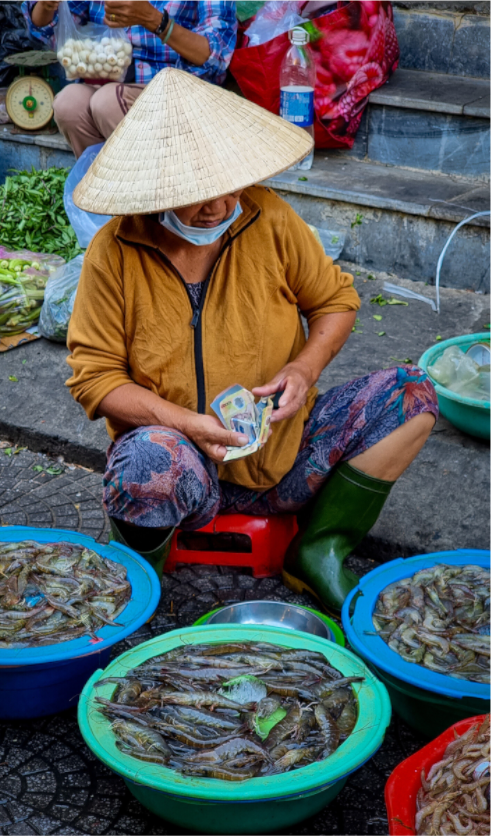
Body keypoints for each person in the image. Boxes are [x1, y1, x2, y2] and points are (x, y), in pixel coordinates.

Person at [67, 68, 439, 614]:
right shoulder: (115, 252)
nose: (218, 206)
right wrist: (188, 425)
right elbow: (95, 379)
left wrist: (304, 370)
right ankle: (140, 577)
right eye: (196, 194)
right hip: (182, 465)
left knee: (412, 395)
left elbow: (334, 303)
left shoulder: (270, 219)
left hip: (286, 456)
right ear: (157, 192)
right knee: (147, 464)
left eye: (228, 184)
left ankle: (318, 550)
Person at [22, 0, 237, 156]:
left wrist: (154, 20)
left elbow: (215, 54)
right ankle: (108, 199)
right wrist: (46, 5)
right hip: (107, 84)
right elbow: (45, 27)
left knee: (108, 101)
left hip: (178, 92)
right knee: (68, 104)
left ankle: (151, 203)